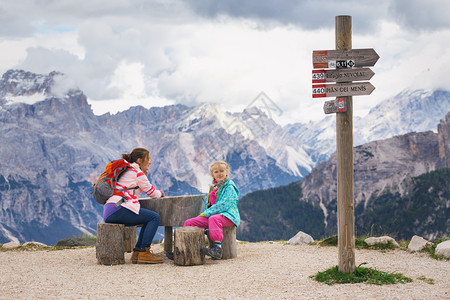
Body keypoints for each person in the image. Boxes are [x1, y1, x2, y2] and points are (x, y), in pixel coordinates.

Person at [103, 147, 165, 264]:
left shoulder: (127, 170)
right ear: (140, 160)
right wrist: (161, 193)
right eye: (148, 158)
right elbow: (153, 193)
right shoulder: (137, 173)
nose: (150, 161)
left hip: (110, 209)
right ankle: (143, 252)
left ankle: (138, 253)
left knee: (147, 219)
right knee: (154, 217)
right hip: (119, 209)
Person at [183, 161, 240, 259]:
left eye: (222, 171)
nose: (219, 173)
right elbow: (210, 205)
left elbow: (223, 205)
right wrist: (207, 211)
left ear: (227, 172)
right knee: (189, 222)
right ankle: (185, 250)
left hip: (229, 216)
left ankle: (217, 249)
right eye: (216, 172)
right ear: (212, 174)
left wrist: (205, 214)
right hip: (214, 215)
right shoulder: (214, 187)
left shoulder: (229, 187)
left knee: (214, 219)